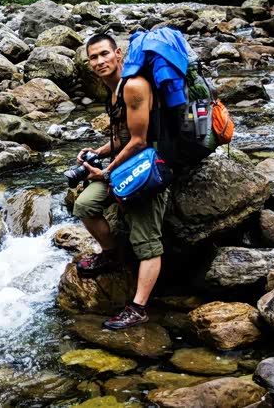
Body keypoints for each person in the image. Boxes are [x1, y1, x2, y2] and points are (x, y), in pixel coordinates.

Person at [71, 33, 169, 330]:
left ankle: (138, 308)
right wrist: (97, 152)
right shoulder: (112, 91)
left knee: (146, 241)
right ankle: (111, 255)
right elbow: (120, 137)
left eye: (104, 54)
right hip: (124, 165)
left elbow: (139, 141)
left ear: (118, 54)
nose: (99, 61)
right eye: (93, 57)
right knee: (84, 205)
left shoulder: (134, 86)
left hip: (148, 167)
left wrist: (106, 173)